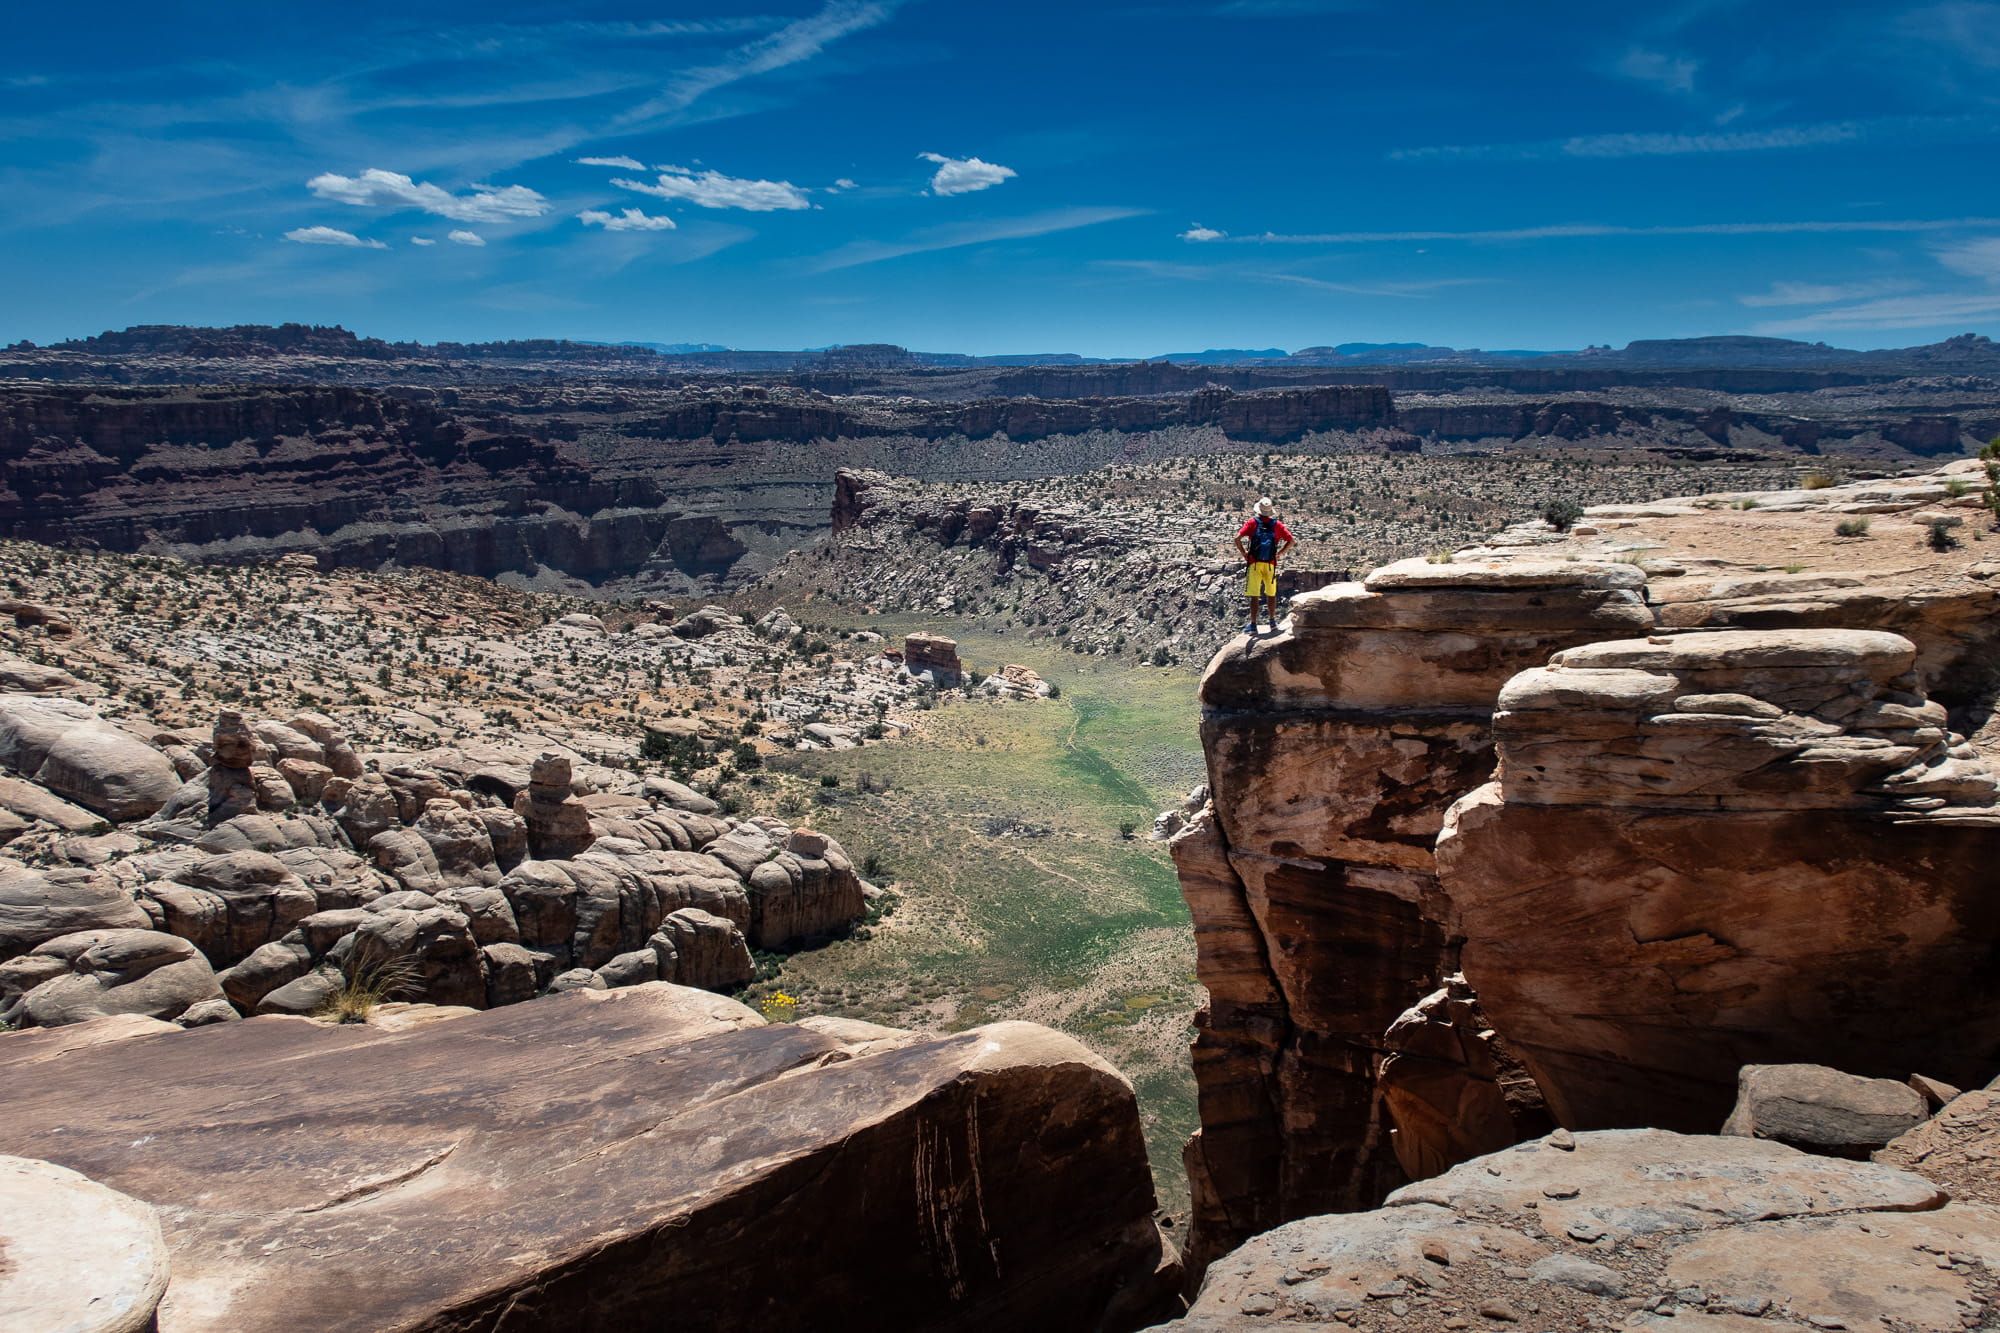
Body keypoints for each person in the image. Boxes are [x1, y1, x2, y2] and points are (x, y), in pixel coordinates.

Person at [1233, 497, 1294, 634]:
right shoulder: (1277, 525)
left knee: (1254, 595)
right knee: (1271, 594)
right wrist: (1279, 553)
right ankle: (1272, 621)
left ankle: (1253, 624)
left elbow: (1237, 538)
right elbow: (1291, 541)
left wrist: (1244, 553)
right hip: (1270, 563)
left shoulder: (1252, 523)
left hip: (1254, 563)